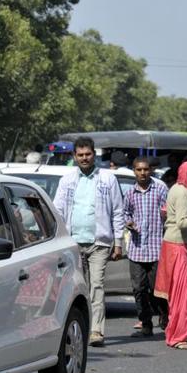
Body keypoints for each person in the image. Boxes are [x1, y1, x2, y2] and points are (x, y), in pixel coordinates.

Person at [53, 136, 124, 347]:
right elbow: (58, 211)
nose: (84, 158)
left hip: (99, 242)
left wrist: (118, 242)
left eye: (88, 154)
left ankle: (96, 331)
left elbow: (117, 211)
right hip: (73, 244)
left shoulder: (107, 179)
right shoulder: (66, 181)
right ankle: (78, 329)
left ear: (94, 155)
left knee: (97, 286)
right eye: (80, 155)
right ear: (74, 156)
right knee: (76, 288)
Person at [154, 160, 187, 350]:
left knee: (177, 296)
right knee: (183, 296)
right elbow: (182, 222)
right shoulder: (183, 193)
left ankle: (175, 333)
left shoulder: (177, 188)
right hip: (179, 246)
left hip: (175, 245)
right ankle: (179, 336)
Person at [124, 156, 169, 337]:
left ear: (150, 170)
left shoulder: (160, 188)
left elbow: (168, 211)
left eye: (145, 169)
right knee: (138, 289)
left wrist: (165, 217)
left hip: (157, 248)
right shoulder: (129, 193)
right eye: (138, 170)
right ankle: (146, 322)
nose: (142, 173)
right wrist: (129, 223)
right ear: (134, 171)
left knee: (157, 289)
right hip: (137, 248)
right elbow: (125, 213)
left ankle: (165, 317)